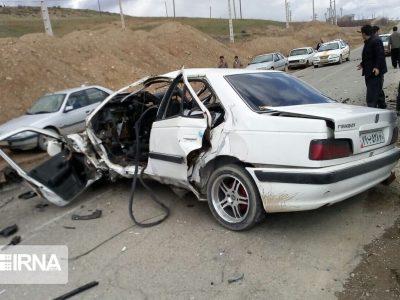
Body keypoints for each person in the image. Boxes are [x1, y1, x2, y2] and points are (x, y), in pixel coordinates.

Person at [357, 24, 387, 109]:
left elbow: (380, 55)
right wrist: (362, 64)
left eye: (361, 33)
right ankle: (382, 107)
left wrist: (377, 67)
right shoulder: (369, 41)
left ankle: (372, 111)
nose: (361, 35)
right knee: (377, 90)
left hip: (374, 72)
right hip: (370, 71)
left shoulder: (375, 40)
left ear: (364, 33)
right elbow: (369, 56)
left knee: (371, 96)